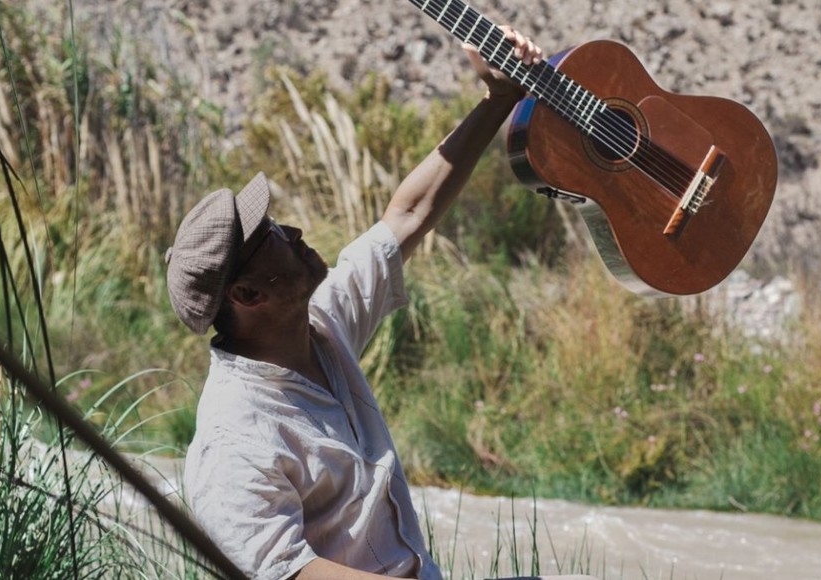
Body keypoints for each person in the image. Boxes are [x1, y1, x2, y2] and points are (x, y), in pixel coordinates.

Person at [165, 26, 542, 580]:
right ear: (247, 294)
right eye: (272, 236)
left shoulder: (319, 325)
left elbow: (407, 216)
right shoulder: (234, 436)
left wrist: (499, 99)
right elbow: (287, 574)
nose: (294, 231)